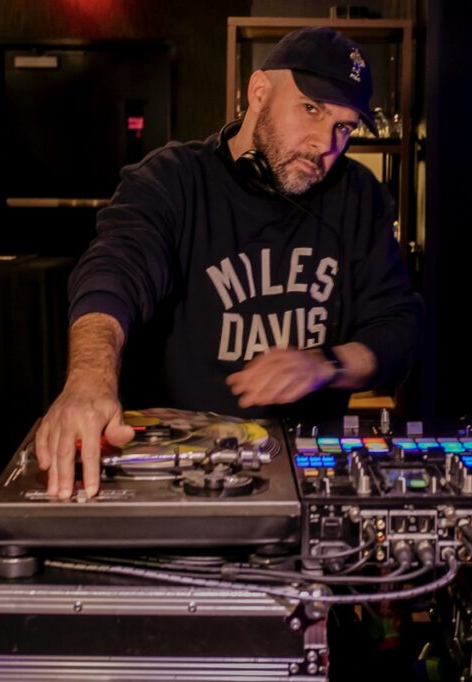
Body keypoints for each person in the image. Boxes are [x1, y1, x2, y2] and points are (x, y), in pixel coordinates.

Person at [36, 27, 423, 498]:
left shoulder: (359, 196)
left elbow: (400, 329)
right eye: (311, 108)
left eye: (344, 126)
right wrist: (89, 379)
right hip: (175, 471)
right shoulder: (171, 180)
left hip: (306, 471)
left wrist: (326, 364)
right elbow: (114, 271)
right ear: (258, 92)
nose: (325, 143)